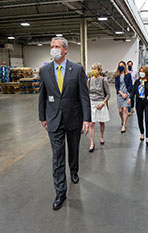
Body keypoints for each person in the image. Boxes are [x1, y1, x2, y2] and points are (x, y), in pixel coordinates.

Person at [38, 37, 91, 211]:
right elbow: (42, 95)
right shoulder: (45, 71)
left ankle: (74, 170)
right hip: (53, 119)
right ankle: (60, 192)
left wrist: (86, 118)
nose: (54, 49)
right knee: (57, 156)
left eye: (57, 46)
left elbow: (84, 95)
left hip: (74, 118)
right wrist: (42, 117)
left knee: (73, 150)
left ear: (65, 49)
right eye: (51, 46)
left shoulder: (76, 69)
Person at [128, 66, 148, 146]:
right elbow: (133, 91)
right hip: (139, 102)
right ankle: (142, 133)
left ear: (146, 73)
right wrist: (130, 98)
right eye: (140, 71)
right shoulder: (137, 82)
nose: (141, 73)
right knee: (140, 119)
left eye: (143, 71)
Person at [88, 62, 111, 152]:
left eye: (95, 69)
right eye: (92, 69)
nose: (93, 71)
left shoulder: (103, 80)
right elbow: (87, 93)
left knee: (101, 122)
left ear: (99, 70)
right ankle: (92, 142)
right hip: (92, 102)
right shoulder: (89, 80)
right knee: (91, 124)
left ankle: (101, 136)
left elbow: (108, 94)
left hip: (101, 102)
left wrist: (103, 103)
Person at [115, 61, 132, 133]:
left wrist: (127, 93)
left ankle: (124, 125)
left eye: (122, 65)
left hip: (126, 93)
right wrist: (121, 93)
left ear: (125, 66)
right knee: (120, 111)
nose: (121, 67)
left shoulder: (128, 75)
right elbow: (116, 86)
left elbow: (130, 85)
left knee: (125, 109)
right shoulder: (117, 75)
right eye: (119, 66)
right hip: (120, 94)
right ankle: (122, 119)